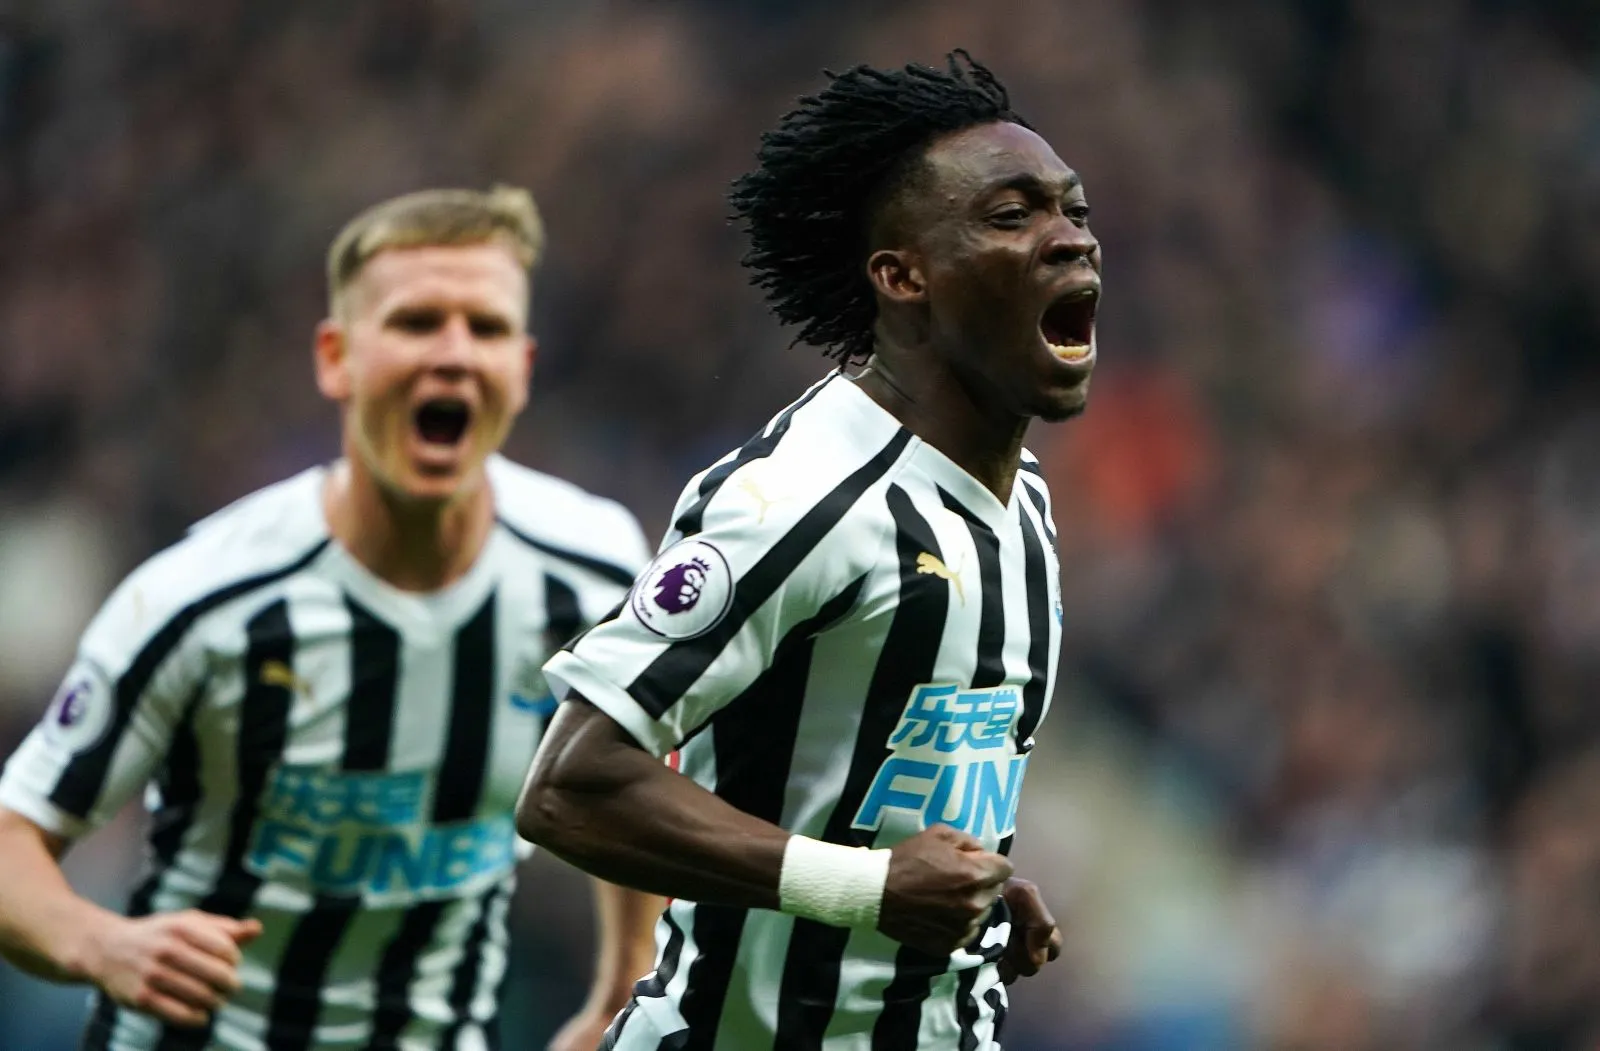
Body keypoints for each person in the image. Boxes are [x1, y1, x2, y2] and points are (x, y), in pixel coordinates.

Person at [0, 186, 662, 1051]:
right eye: (417, 322)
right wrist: (103, 944)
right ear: (336, 357)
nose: (454, 354)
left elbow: (630, 770)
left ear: (523, 367)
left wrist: (624, 978)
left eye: (487, 327)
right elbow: (14, 837)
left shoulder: (594, 573)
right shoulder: (204, 599)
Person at [517, 52, 1090, 1049]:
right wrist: (866, 885)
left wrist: (971, 892)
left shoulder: (1022, 497)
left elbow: (857, 787)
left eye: (1073, 211)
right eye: (1012, 215)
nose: (1071, 239)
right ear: (903, 277)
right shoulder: (801, 498)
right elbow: (573, 783)